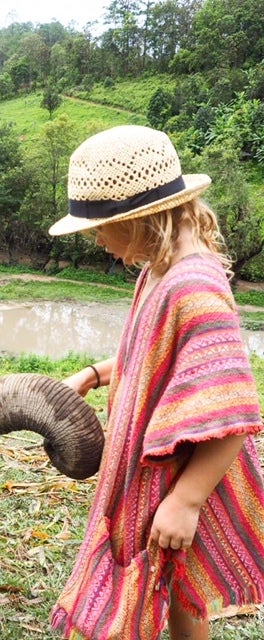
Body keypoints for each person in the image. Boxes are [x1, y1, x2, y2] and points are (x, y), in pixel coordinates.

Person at [48, 125, 264, 640]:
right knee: (175, 584)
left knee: (165, 585)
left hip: (180, 477)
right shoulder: (159, 271)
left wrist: (186, 500)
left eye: (99, 228)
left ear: (139, 218)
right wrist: (98, 373)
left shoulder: (195, 288)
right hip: (158, 474)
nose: (96, 240)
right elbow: (155, 359)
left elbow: (234, 413)